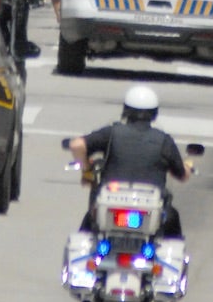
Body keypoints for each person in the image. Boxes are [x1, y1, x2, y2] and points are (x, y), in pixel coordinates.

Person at [69, 84, 191, 237]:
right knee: (173, 220)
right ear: (154, 113)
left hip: (111, 203)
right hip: (151, 208)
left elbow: (76, 145)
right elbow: (182, 175)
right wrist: (187, 166)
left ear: (126, 110)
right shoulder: (163, 141)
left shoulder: (112, 133)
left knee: (89, 224)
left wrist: (86, 169)